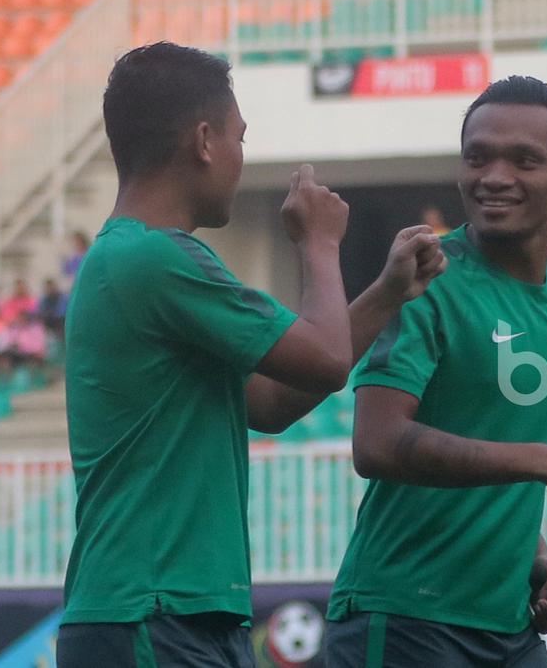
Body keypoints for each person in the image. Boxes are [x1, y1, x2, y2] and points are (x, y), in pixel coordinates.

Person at [56, 42, 445, 668]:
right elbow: (322, 358)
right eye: (240, 137)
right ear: (205, 141)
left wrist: (387, 293)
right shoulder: (157, 259)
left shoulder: (132, 261)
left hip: (171, 612)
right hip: (153, 611)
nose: (242, 156)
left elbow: (271, 403)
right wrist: (319, 243)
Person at [324, 76, 547, 667]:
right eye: (478, 158)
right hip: (405, 622)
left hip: (507, 623)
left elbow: (493, 442)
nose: (495, 176)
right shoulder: (426, 279)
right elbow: (376, 444)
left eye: (525, 159)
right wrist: (546, 461)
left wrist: (537, 558)